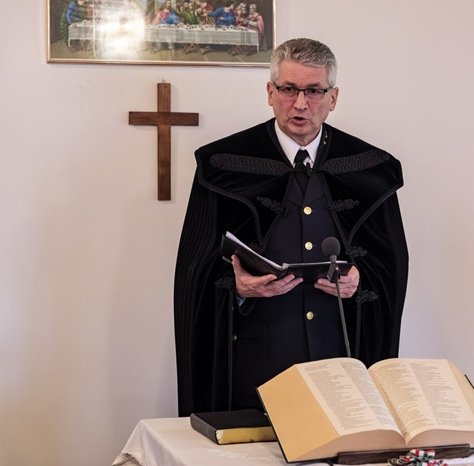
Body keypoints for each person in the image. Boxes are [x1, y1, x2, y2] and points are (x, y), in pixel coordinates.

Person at [174, 38, 409, 416]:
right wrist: (236, 287)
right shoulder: (223, 164)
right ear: (270, 93)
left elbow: (389, 269)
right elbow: (194, 270)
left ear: (333, 98)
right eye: (288, 89)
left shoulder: (371, 169)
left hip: (342, 373)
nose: (300, 104)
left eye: (314, 91)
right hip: (253, 374)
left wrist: (359, 281)